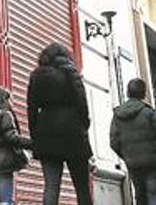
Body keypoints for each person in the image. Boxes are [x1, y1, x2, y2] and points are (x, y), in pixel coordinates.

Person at [28, 43, 94, 205]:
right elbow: (82, 103)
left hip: (46, 133)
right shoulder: (72, 72)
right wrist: (83, 125)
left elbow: (32, 109)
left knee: (51, 185)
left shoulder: (37, 75)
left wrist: (35, 135)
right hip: (73, 133)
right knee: (82, 187)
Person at [109, 78, 156, 205]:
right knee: (154, 195)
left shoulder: (118, 115)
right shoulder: (149, 113)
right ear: (143, 93)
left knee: (140, 197)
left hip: (133, 164)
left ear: (128, 92)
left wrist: (127, 155)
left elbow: (114, 142)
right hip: (152, 162)